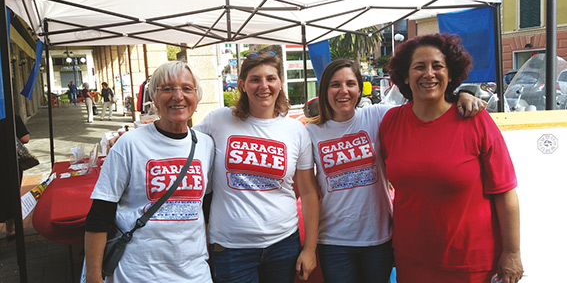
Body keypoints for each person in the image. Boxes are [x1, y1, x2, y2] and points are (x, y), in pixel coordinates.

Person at [305, 59, 486, 283]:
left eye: (350, 84)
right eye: (335, 84)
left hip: (379, 239)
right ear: (325, 90)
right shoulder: (311, 132)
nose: (344, 91)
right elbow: (307, 191)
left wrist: (459, 95)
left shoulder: (378, 116)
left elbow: (423, 106)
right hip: (334, 241)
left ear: (360, 89)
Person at [380, 33, 523, 283]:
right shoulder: (391, 122)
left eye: (438, 66)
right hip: (412, 259)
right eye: (419, 67)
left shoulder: (475, 120)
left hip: (470, 262)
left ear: (450, 73)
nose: (429, 73)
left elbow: (505, 192)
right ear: (405, 75)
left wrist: (512, 253)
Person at [84, 61, 215, 283]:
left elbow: (206, 205)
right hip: (138, 272)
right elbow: (99, 216)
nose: (177, 96)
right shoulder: (129, 144)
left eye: (186, 88)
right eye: (167, 88)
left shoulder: (206, 145)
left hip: (194, 273)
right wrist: (93, 277)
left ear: (197, 97)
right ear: (153, 97)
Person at [195, 51, 319, 283]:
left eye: (271, 78)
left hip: (283, 245)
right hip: (231, 248)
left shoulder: (295, 131)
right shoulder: (219, 120)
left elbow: (309, 192)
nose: (264, 86)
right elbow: (181, 143)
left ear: (280, 83)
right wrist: (130, 136)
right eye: (255, 79)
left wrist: (310, 249)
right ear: (242, 84)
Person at [0, 115, 30, 240]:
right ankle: (10, 229)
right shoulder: (11, 117)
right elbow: (25, 138)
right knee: (11, 194)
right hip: (9, 163)